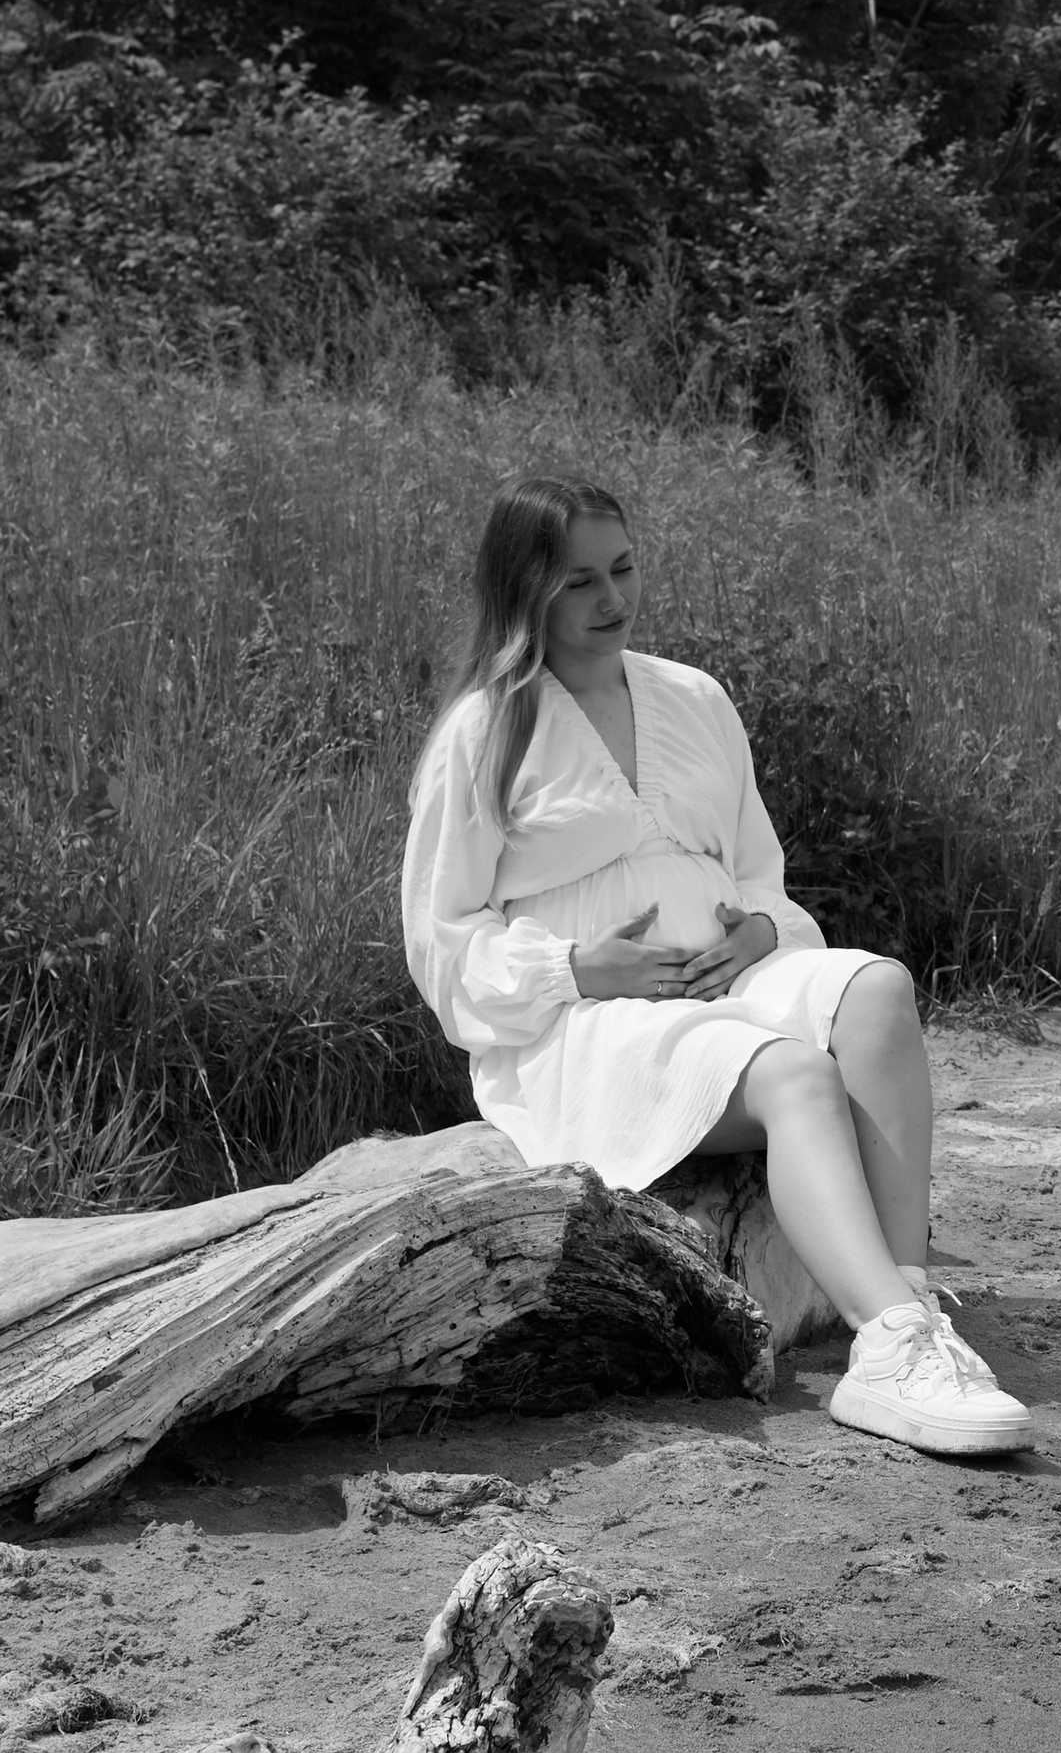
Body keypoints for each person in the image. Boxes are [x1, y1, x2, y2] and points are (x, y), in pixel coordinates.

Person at [402, 476, 1026, 1458]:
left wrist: (761, 937)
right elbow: (444, 942)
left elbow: (763, 881)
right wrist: (575, 968)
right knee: (795, 1074)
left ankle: (909, 1311)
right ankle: (891, 1346)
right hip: (587, 1025)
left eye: (623, 569)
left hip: (727, 980)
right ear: (525, 592)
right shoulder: (484, 734)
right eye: (579, 582)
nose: (612, 600)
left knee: (876, 991)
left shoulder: (695, 698)